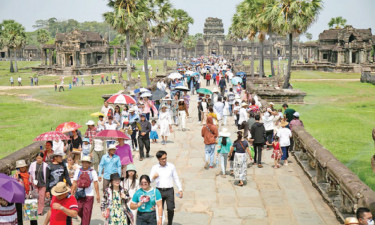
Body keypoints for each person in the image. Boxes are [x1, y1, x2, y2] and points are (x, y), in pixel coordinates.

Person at [150, 151, 183, 225]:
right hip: (159, 191)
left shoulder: (171, 166)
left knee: (170, 208)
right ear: (158, 159)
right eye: (162, 159)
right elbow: (149, 181)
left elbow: (176, 178)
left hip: (169, 190)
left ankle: (170, 223)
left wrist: (180, 189)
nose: (164, 160)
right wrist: (153, 177)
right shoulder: (155, 167)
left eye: (165, 158)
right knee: (159, 209)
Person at [71, 156, 100, 225]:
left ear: (89, 164)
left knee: (87, 212)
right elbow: (74, 182)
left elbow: (96, 183)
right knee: (78, 210)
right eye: (83, 162)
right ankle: (84, 220)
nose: (85, 164)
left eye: (87, 163)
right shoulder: (78, 171)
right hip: (79, 194)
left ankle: (85, 222)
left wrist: (98, 195)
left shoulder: (93, 172)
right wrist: (72, 193)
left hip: (89, 195)